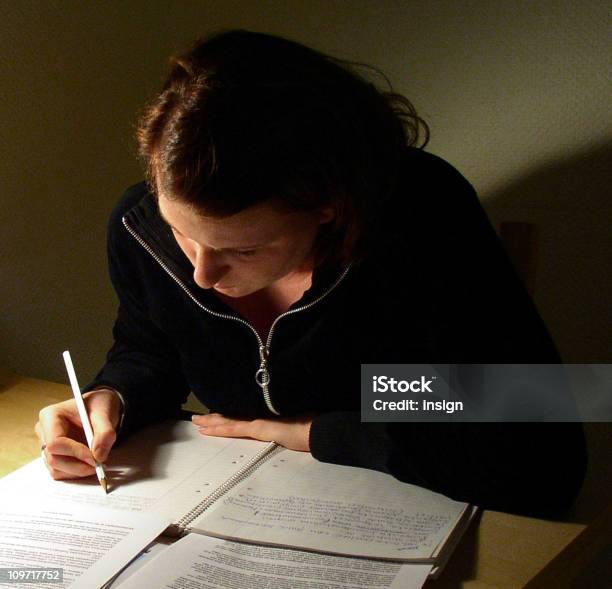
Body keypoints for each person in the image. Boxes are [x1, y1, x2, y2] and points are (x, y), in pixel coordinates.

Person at [35, 29, 586, 517]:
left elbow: (537, 438)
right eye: (184, 234)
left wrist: (319, 432)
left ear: (328, 205)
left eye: (244, 250)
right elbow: (152, 349)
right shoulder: (140, 228)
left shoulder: (420, 217)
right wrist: (113, 396)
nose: (202, 274)